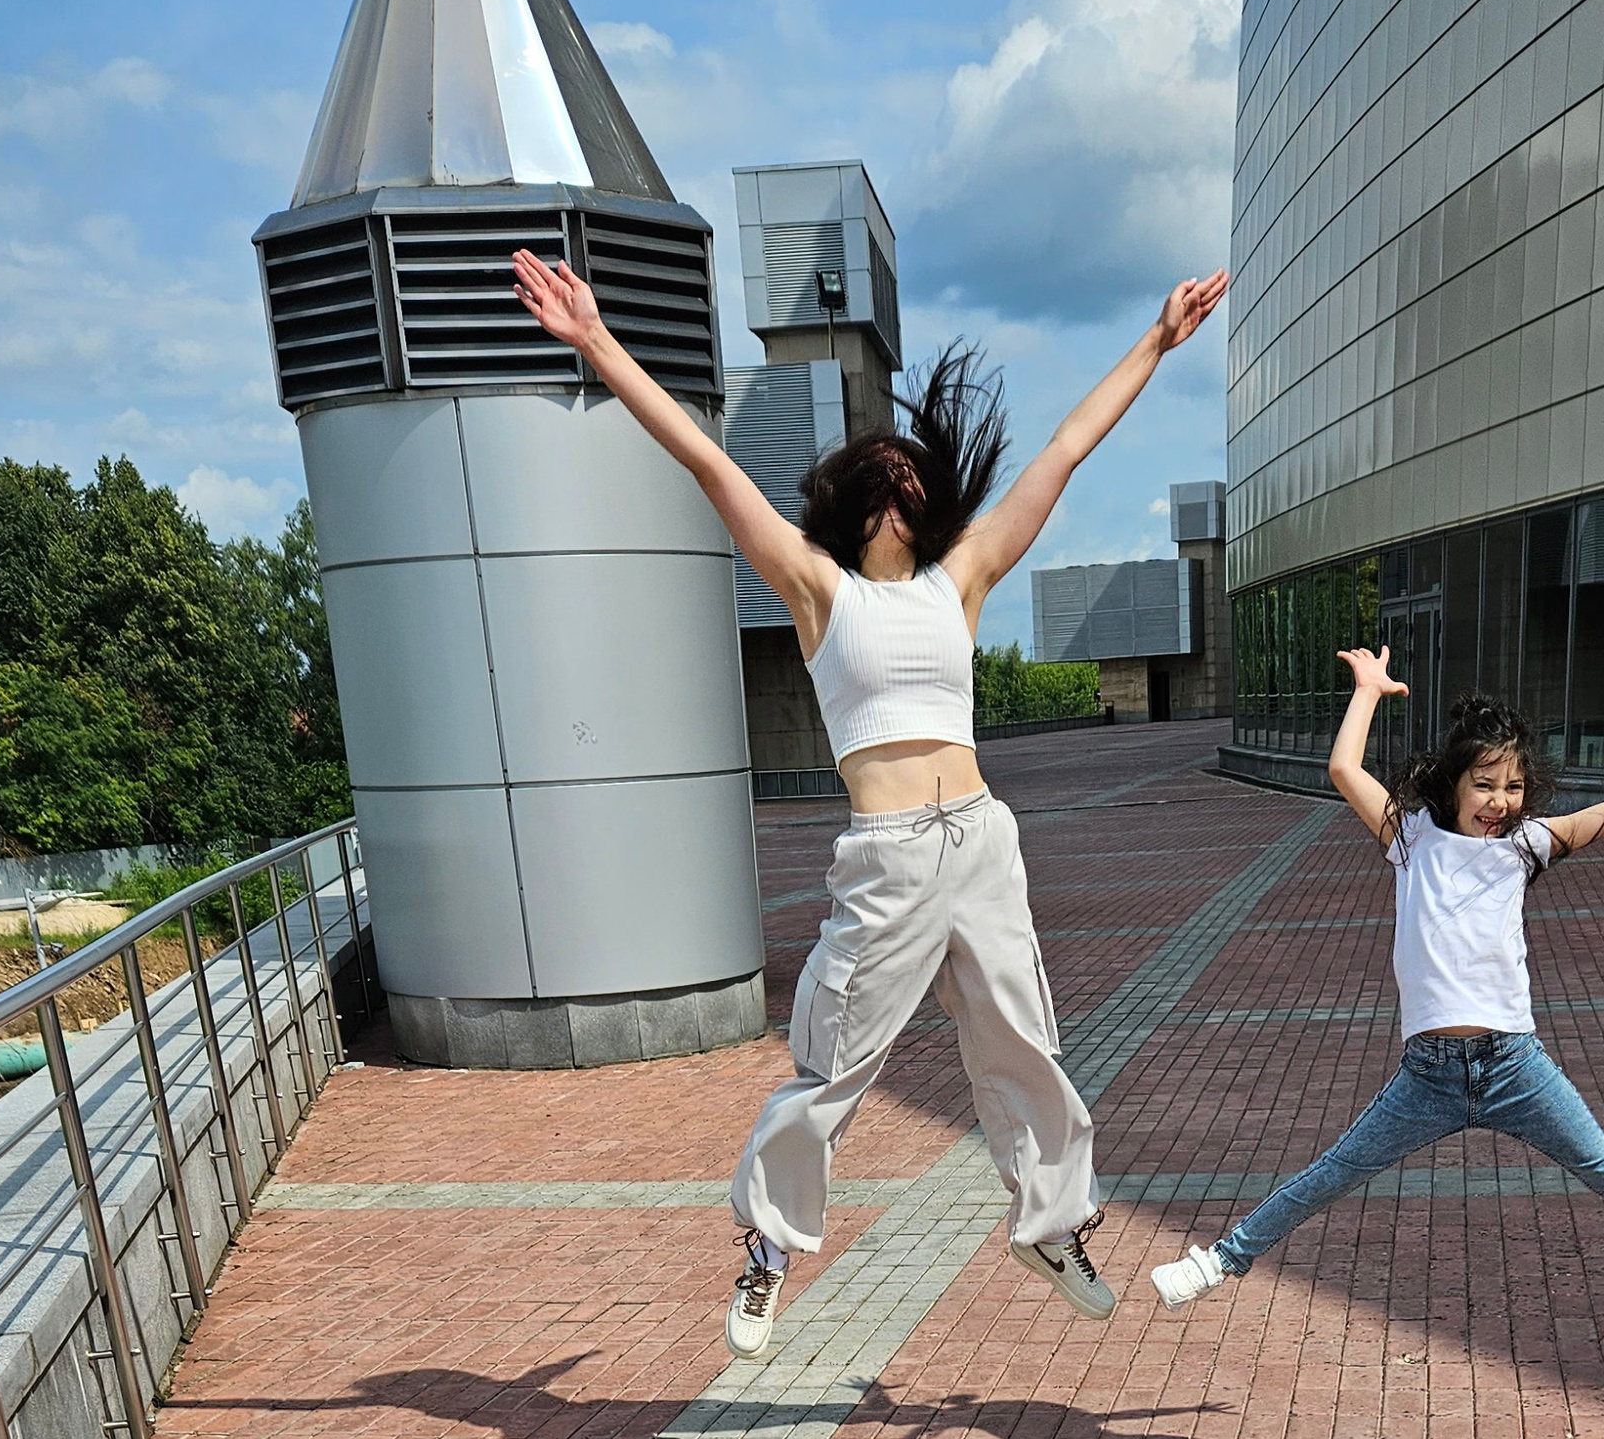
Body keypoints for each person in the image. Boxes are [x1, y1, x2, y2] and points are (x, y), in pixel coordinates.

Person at [512, 242, 1228, 1360]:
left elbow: (1064, 450)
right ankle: (769, 1244)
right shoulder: (818, 589)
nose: (907, 485)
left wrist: (1155, 340)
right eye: (888, 474)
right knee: (835, 1062)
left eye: (914, 475)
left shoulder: (962, 578)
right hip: (889, 856)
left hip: (981, 842)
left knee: (1025, 1044)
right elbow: (706, 462)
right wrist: (598, 342)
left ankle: (1051, 1228)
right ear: (859, 502)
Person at [1148, 656, 1604, 1314]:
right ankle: (1218, 1261)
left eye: (1513, 786)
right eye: (1484, 784)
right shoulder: (1411, 838)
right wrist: (1368, 692)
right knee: (1336, 1170)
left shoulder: (1527, 845)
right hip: (1428, 1075)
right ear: (1453, 782)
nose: (1499, 801)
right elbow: (1344, 769)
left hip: (1514, 1064)